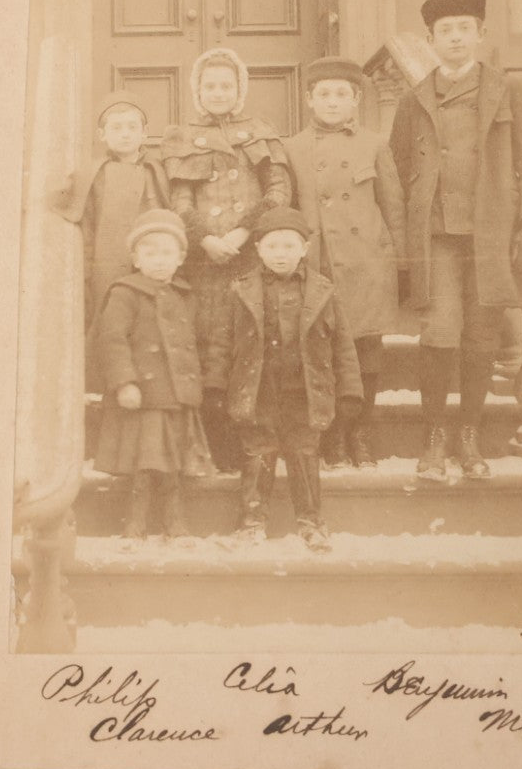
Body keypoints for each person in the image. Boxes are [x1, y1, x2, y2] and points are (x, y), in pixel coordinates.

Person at [389, 0, 522, 481]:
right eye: (445, 31)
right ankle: (435, 433)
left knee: (482, 337)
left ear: (480, 34)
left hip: (490, 234)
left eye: (464, 29)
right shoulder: (413, 100)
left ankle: (469, 434)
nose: (455, 39)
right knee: (440, 334)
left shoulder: (508, 91)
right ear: (430, 39)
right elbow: (397, 174)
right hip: (435, 236)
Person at [161, 48, 292, 474]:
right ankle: (214, 444)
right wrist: (207, 239)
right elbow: (178, 200)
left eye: (226, 85)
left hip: (250, 256)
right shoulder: (181, 136)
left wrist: (243, 232)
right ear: (198, 91)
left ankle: (256, 443)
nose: (218, 93)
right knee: (209, 347)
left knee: (249, 345)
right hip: (205, 262)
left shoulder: (259, 132)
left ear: (239, 90)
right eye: (210, 86)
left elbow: (277, 189)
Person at [203, 207, 364, 551]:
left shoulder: (324, 291)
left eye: (289, 246)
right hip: (257, 389)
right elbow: (221, 342)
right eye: (273, 246)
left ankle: (311, 522)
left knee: (304, 453)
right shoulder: (239, 290)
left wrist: (350, 390)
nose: (281, 254)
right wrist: (216, 385)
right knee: (258, 452)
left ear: (305, 249)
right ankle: (251, 522)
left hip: (304, 391)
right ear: (258, 248)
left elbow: (343, 346)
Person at [285, 56, 406, 468]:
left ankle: (361, 432)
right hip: (321, 266)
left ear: (356, 100)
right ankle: (332, 433)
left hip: (368, 263)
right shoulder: (293, 149)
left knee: (367, 351)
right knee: (326, 353)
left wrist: (401, 265)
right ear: (309, 100)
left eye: (342, 94)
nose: (332, 102)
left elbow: (393, 207)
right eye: (324, 94)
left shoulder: (373, 144)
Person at [94, 209, 212, 541]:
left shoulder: (184, 295)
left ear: (180, 257)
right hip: (144, 396)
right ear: (135, 257)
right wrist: (125, 382)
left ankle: (175, 522)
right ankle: (135, 523)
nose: (158, 261)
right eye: (149, 252)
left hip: (176, 396)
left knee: (173, 464)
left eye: (166, 253)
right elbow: (112, 339)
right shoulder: (125, 292)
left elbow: (193, 344)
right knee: (143, 464)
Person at [49, 90, 171, 335]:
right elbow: (88, 226)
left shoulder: (157, 172)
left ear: (144, 133)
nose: (125, 134)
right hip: (107, 269)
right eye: (116, 128)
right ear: (102, 135)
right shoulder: (93, 175)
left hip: (152, 265)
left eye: (131, 127)